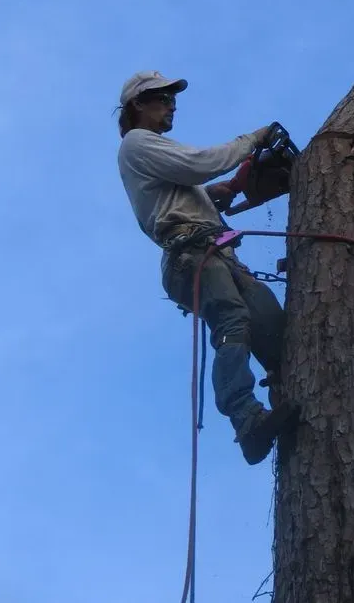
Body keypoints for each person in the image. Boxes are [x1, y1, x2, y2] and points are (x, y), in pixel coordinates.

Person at [116, 70, 297, 464]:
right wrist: (253, 140)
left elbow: (190, 186)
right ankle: (246, 421)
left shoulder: (155, 156)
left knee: (275, 331)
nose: (171, 104)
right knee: (233, 320)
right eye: (161, 98)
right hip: (190, 254)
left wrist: (224, 191)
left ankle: (290, 402)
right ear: (137, 106)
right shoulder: (137, 143)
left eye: (171, 98)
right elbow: (200, 164)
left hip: (217, 251)